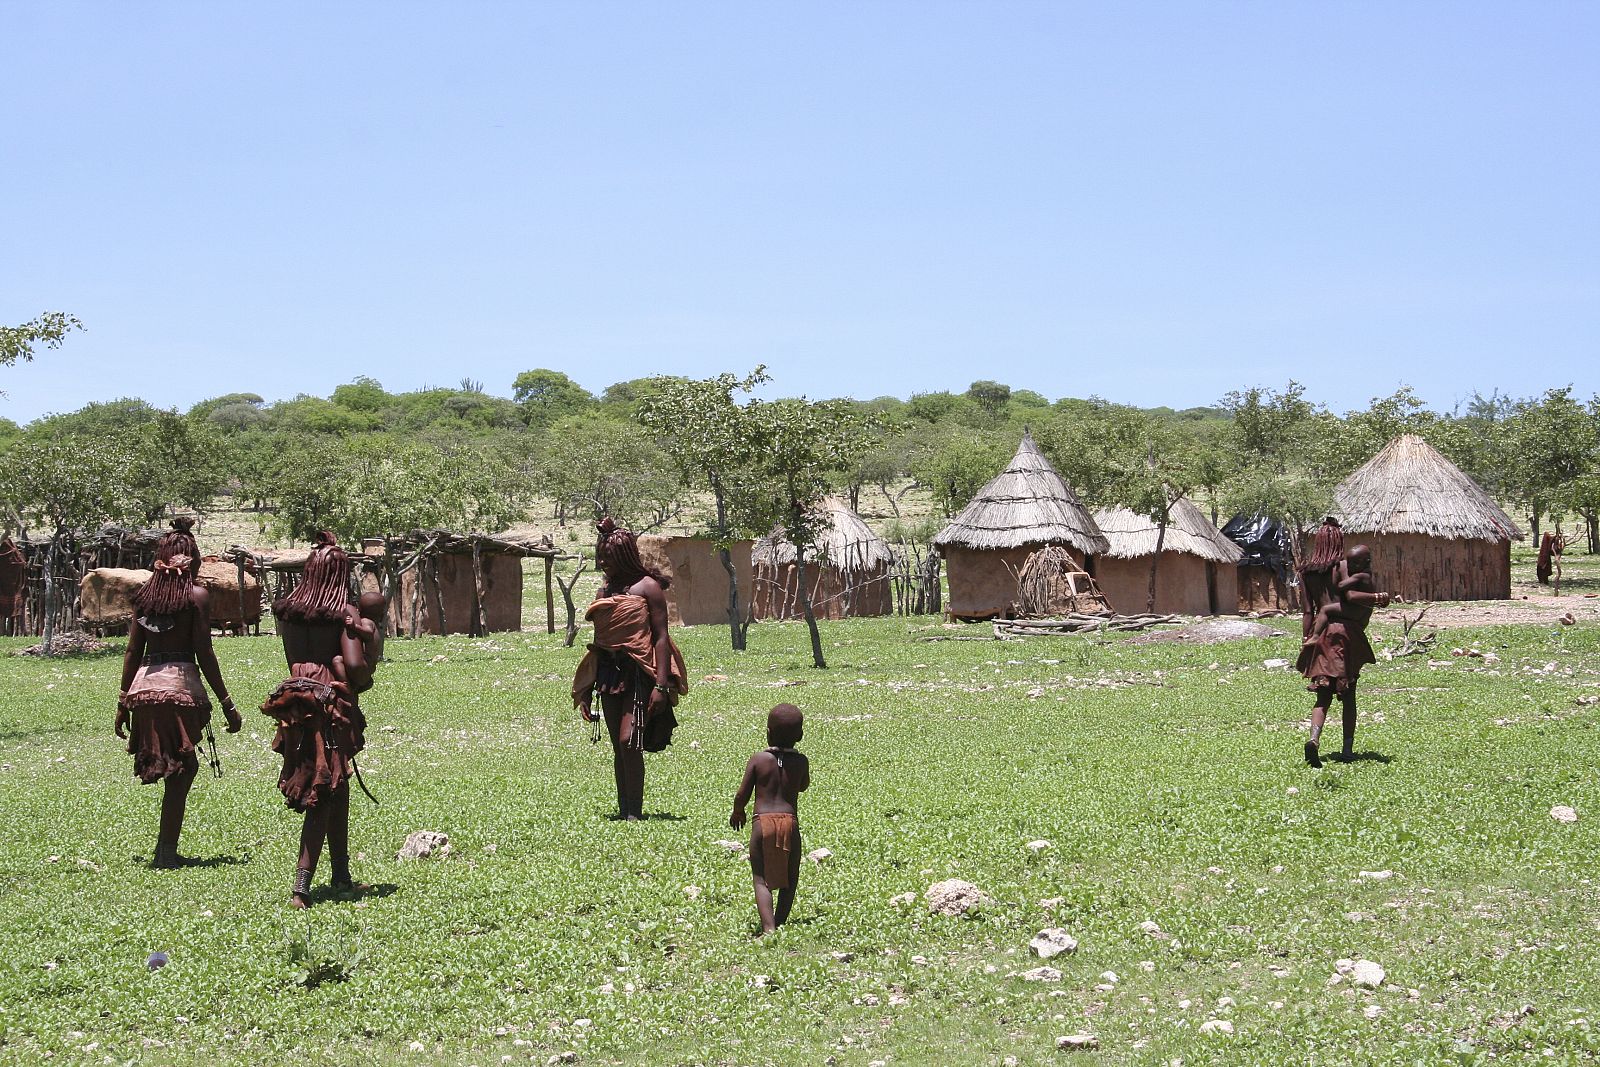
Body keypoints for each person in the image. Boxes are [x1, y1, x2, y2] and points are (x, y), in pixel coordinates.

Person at [262, 533, 383, 906]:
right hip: (329, 704)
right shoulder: (344, 612)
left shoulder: (290, 613)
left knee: (337, 786)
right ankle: (302, 886)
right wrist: (373, 642)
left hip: (296, 700)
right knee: (324, 792)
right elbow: (356, 669)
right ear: (341, 573)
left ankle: (342, 876)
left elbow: (295, 662)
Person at [113, 518, 241, 868]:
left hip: (144, 691)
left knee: (179, 767)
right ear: (192, 560)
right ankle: (166, 852)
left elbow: (132, 653)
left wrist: (123, 703)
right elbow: (205, 653)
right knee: (184, 767)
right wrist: (227, 703)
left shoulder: (145, 598)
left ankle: (166, 849)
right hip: (179, 690)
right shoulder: (197, 596)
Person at [572, 518, 687, 821]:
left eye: (607, 558)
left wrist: (661, 686)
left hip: (640, 673)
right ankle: (625, 810)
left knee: (629, 741)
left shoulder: (648, 588)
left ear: (623, 557)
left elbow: (661, 638)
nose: (601, 564)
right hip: (609, 672)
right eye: (600, 557)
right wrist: (585, 689)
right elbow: (600, 641)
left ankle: (635, 811)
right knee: (617, 746)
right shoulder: (604, 592)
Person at [1296, 519, 1390, 767]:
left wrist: (1308, 639)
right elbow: (1351, 597)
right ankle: (1347, 750)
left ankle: (1314, 740)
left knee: (1323, 694)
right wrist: (1378, 597)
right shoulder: (1345, 566)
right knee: (1348, 695)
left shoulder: (1305, 573)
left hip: (1321, 632)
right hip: (1346, 634)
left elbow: (1308, 611)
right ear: (1339, 542)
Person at [730, 704, 810, 935]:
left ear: (767, 732)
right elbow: (803, 786)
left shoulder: (758, 759)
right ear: (801, 735)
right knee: (790, 876)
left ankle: (768, 928)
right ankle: (780, 920)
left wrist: (738, 811)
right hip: (790, 822)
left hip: (762, 823)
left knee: (761, 877)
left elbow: (741, 794)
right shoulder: (801, 761)